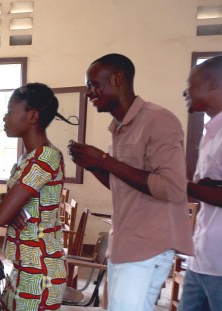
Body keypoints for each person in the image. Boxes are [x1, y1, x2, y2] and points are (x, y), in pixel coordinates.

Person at [68, 53, 194, 310]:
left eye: (94, 85)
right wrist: (91, 165)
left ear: (118, 78)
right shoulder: (121, 127)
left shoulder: (157, 120)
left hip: (148, 246)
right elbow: (121, 183)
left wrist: (103, 160)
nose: (90, 93)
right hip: (126, 242)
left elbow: (172, 187)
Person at [0, 83, 77, 310]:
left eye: (11, 111)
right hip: (25, 266)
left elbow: (1, 216)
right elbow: (3, 208)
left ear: (33, 116)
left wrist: (4, 205)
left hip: (40, 273)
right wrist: (3, 199)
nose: (5, 117)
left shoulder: (45, 157)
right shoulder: (27, 158)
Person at [180, 55, 222, 311]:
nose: (186, 92)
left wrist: (185, 186)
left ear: (215, 85)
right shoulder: (212, 132)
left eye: (191, 84)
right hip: (202, 256)